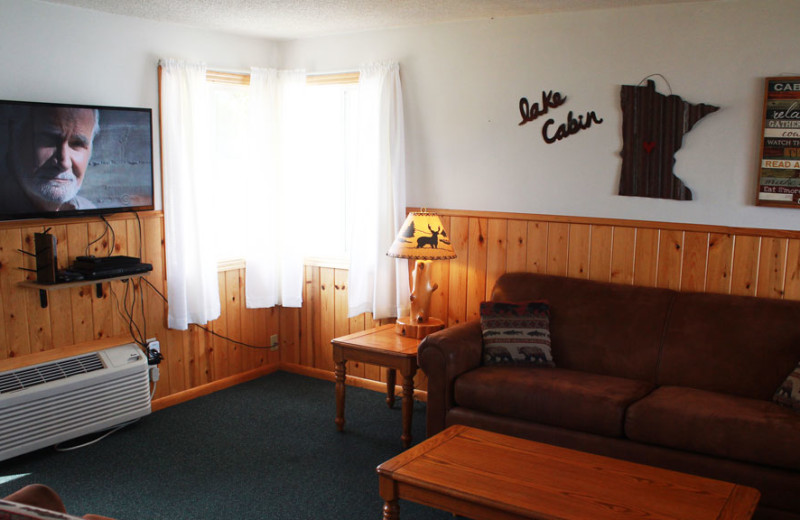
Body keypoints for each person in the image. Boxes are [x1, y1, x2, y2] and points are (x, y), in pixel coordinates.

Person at [1, 105, 99, 214]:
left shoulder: (89, 210)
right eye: (48, 140)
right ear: (15, 138)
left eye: (77, 144)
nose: (64, 163)